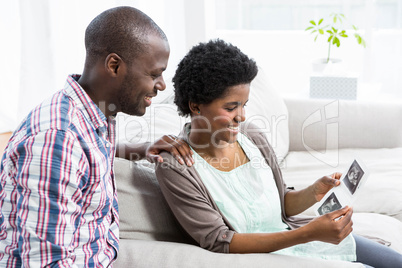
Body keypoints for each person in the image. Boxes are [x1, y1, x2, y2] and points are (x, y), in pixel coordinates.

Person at [155, 39, 402, 267]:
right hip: (266, 258)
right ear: (195, 106)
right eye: (231, 107)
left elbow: (282, 202)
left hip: (302, 239)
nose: (241, 116)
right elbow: (219, 241)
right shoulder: (176, 166)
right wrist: (307, 233)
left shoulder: (252, 136)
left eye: (244, 105)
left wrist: (313, 192)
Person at [0, 6, 193, 267]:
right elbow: (42, 262)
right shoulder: (56, 140)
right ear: (114, 65)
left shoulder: (93, 114)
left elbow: (87, 153)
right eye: (154, 73)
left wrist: (142, 148)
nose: (161, 85)